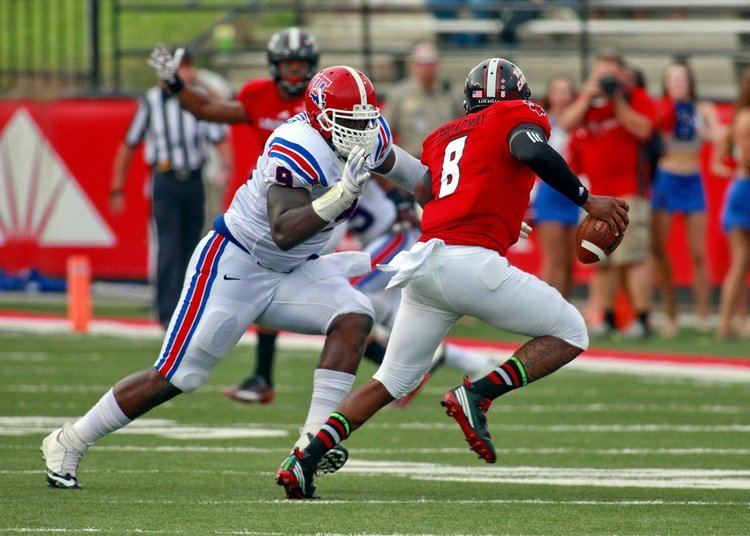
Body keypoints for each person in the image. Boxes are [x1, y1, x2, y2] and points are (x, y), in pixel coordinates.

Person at [41, 63, 430, 490]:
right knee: (178, 375)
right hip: (236, 262)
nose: (359, 132)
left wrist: (476, 216)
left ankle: (310, 447)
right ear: (320, 116)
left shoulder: (368, 138)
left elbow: (421, 180)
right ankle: (70, 440)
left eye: (364, 121)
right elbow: (283, 231)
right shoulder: (295, 144)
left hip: (295, 270)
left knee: (355, 314)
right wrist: (341, 197)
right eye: (347, 122)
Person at [275, 58, 628, 500]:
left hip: (425, 262)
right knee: (572, 331)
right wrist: (586, 199)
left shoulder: (443, 136)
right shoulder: (518, 114)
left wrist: (498, 218)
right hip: (469, 263)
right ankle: (477, 394)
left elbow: (442, 191)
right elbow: (531, 150)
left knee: (391, 380)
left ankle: (302, 462)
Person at [167, 27, 320, 404]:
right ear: (273, 66)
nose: (295, 73)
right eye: (288, 64)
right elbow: (206, 109)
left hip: (320, 207)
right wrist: (175, 85)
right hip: (275, 206)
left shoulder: (321, 99)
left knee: (333, 300)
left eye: (301, 65)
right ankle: (263, 377)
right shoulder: (257, 96)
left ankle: (392, 361)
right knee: (282, 292)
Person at [110, 49, 232, 327]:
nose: (186, 73)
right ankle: (166, 311)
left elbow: (220, 136)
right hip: (165, 180)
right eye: (181, 68)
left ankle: (188, 308)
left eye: (189, 67)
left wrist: (225, 169)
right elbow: (129, 143)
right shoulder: (152, 102)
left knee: (193, 245)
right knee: (168, 245)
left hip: (194, 180)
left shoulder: (198, 100)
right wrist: (117, 186)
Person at [559, 50, 655, 338]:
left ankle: (642, 318)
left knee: (632, 257)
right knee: (600, 257)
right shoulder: (588, 103)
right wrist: (588, 96)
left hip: (629, 192)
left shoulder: (635, 97)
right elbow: (565, 123)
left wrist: (616, 100)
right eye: (600, 75)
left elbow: (644, 129)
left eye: (610, 75)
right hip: (596, 196)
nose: (606, 81)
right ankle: (607, 315)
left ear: (623, 75)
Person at [651, 62, 721, 337]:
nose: (678, 83)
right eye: (672, 79)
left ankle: (704, 315)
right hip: (667, 178)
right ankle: (671, 315)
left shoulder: (702, 108)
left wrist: (704, 130)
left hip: (692, 179)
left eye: (682, 79)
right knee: (661, 250)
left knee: (698, 252)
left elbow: (718, 135)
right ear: (666, 83)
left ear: (690, 81)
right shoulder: (661, 107)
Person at [713, 69, 750, 339]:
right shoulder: (747, 119)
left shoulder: (740, 117)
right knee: (740, 261)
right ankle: (726, 322)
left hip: (741, 188)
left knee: (741, 261)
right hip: (746, 190)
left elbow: (721, 160)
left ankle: (735, 320)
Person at [535, 75, 580, 297]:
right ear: (550, 95)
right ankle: (545, 308)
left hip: (574, 193)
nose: (562, 96)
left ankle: (565, 309)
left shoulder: (580, 122)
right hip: (551, 191)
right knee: (554, 258)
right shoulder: (542, 123)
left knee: (570, 261)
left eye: (566, 91)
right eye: (558, 91)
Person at [386, 41, 462, 158]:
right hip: (413, 161)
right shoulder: (399, 95)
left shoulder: (452, 93)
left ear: (437, 64)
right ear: (413, 64)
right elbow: (385, 130)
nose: (427, 69)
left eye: (430, 63)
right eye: (421, 64)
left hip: (446, 160)